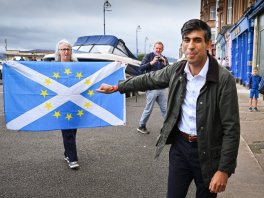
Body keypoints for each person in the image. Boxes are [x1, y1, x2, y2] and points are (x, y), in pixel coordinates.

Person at [96, 19, 240, 197]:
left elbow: (231, 128)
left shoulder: (223, 79)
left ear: (208, 44)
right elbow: (149, 79)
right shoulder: (177, 70)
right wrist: (118, 87)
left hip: (208, 151)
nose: (191, 46)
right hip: (180, 148)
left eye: (197, 40)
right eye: (186, 40)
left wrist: (224, 170)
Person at [55, 39, 79, 170]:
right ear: (59, 52)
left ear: (71, 51)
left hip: (75, 102)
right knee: (67, 130)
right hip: (60, 103)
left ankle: (67, 153)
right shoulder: (53, 66)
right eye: (63, 49)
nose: (65, 52)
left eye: (68, 49)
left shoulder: (76, 65)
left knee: (73, 130)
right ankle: (73, 158)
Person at [136, 41, 168, 134]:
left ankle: (169, 127)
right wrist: (151, 63)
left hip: (162, 87)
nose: (158, 50)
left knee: (165, 109)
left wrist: (165, 64)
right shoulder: (148, 56)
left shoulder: (164, 58)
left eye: (160, 48)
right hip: (151, 87)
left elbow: (168, 71)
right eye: (157, 48)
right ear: (154, 48)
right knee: (149, 108)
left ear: (162, 49)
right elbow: (141, 68)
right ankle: (141, 126)